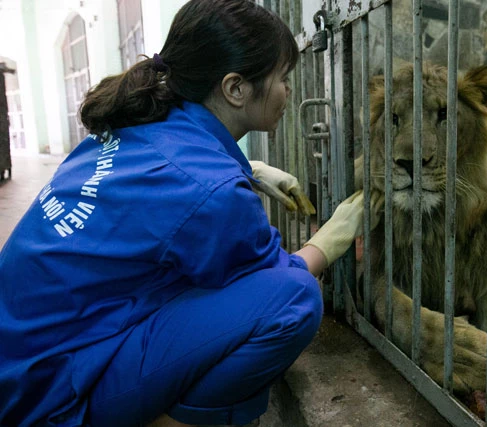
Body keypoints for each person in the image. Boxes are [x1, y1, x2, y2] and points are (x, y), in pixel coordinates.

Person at [0, 1, 381, 426]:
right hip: (50, 395)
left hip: (18, 360)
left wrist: (249, 170)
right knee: (294, 299)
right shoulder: (212, 192)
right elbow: (277, 280)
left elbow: (167, 184)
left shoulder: (137, 123)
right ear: (235, 88)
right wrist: (327, 242)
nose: (288, 91)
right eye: (283, 79)